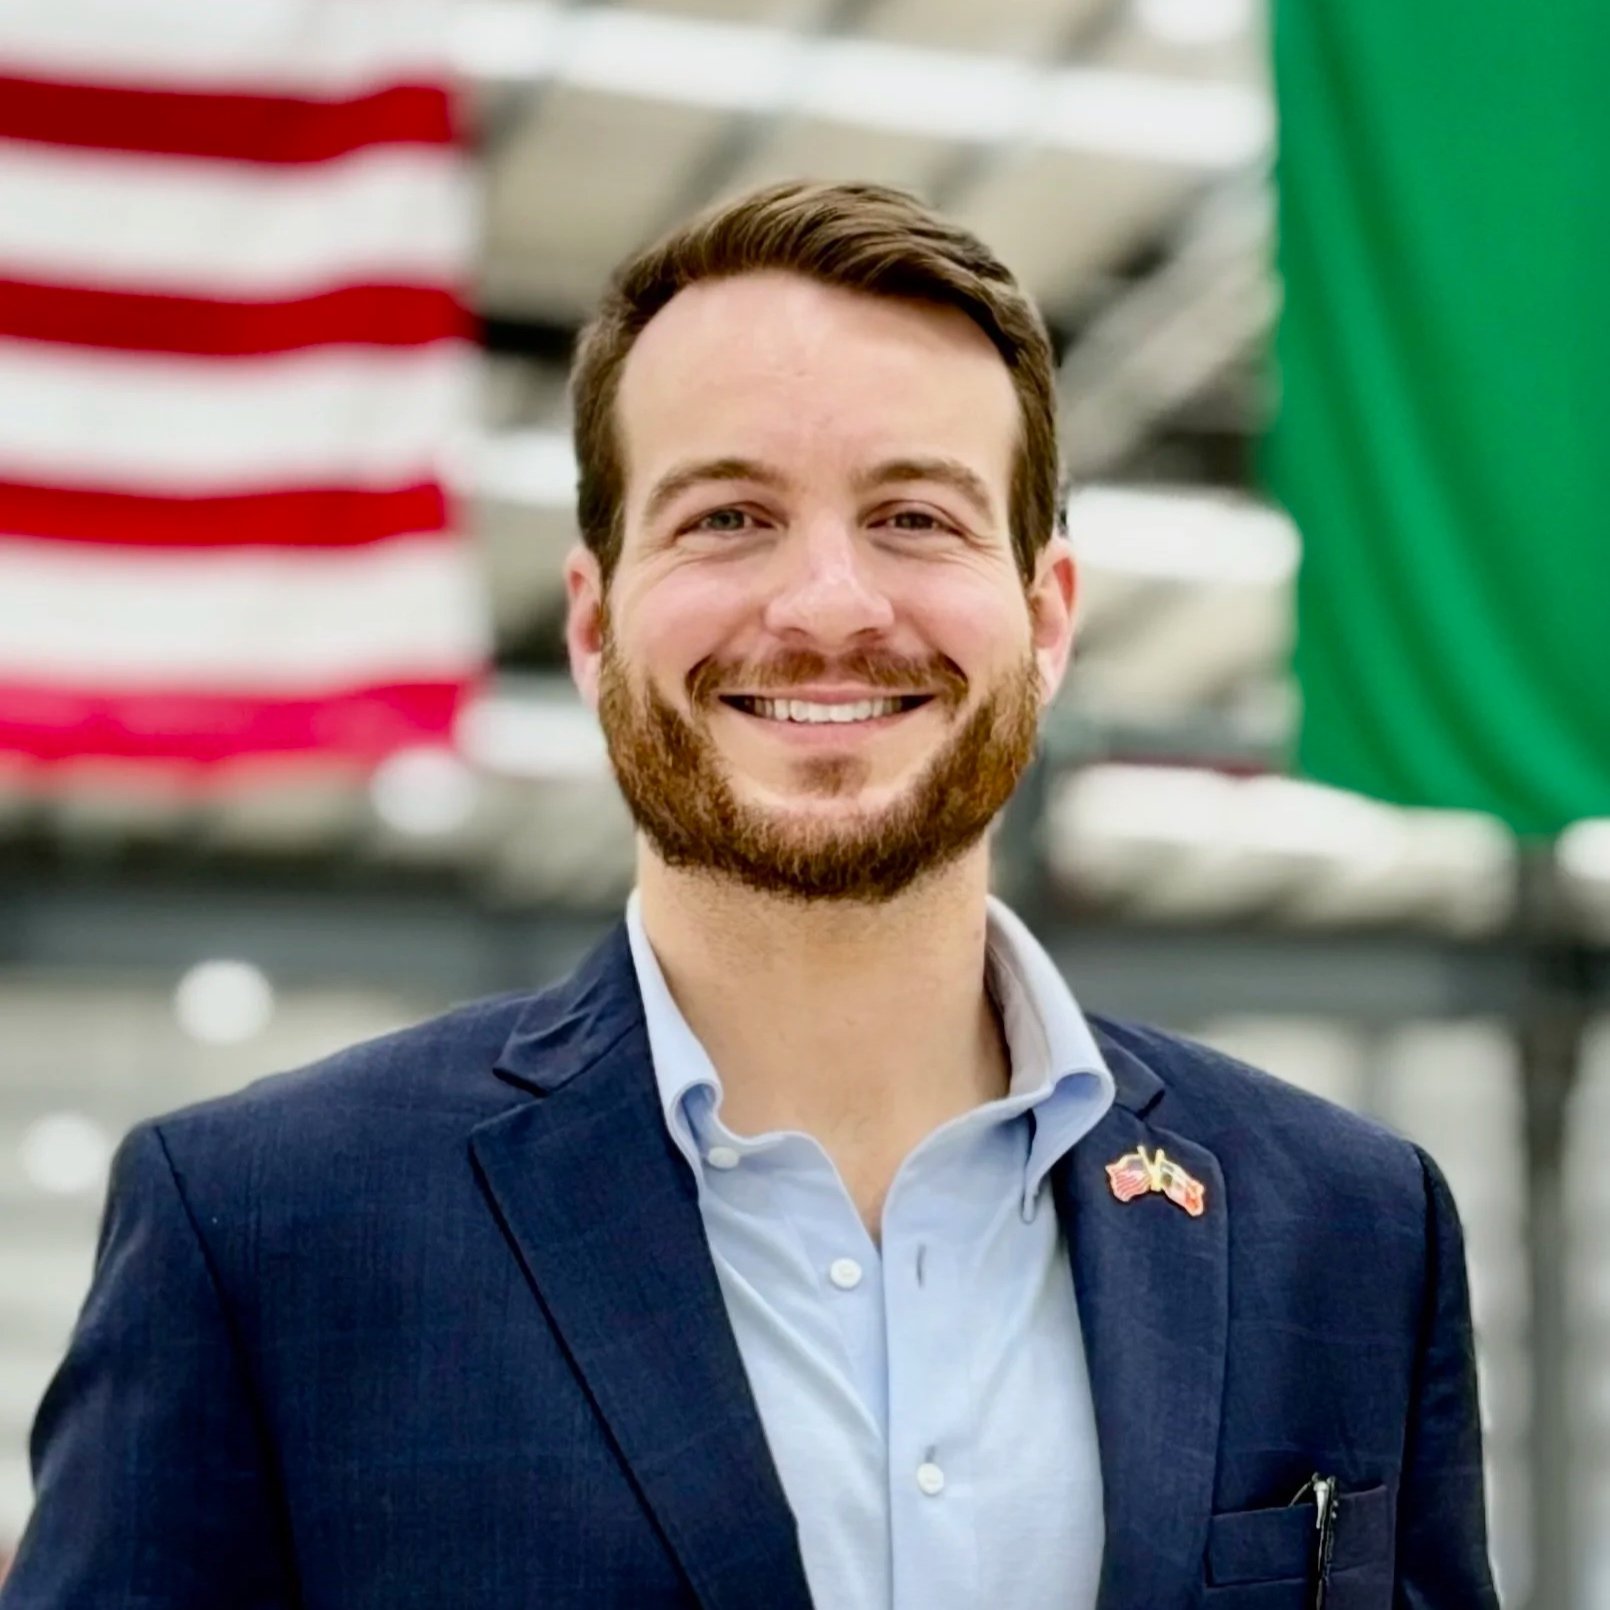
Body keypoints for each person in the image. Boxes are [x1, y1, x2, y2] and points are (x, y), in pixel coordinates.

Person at [2, 181, 1498, 1610]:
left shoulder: (1350, 1228)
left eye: (914, 514)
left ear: (1046, 618)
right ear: (593, 626)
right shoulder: (267, 1234)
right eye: (726, 517)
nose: (828, 605)